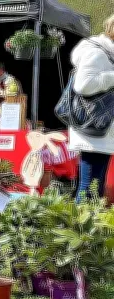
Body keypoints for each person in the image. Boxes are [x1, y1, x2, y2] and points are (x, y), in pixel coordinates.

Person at [68, 14, 114, 202]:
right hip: (93, 127)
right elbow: (83, 85)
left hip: (101, 129)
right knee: (88, 186)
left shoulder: (109, 52)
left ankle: (89, 226)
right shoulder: (98, 51)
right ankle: (80, 229)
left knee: (97, 185)